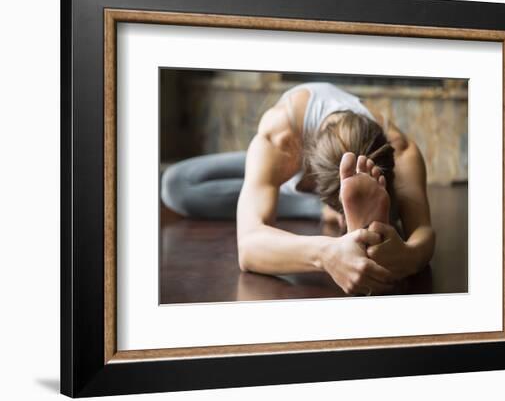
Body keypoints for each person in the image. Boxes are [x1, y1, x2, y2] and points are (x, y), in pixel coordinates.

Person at [161, 82, 435, 295]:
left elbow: (423, 232)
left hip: (337, 181)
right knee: (176, 184)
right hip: (289, 174)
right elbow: (248, 246)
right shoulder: (282, 134)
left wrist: (408, 256)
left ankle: (362, 219)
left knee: (399, 206)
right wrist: (326, 254)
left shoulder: (400, 149)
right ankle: (324, 211)